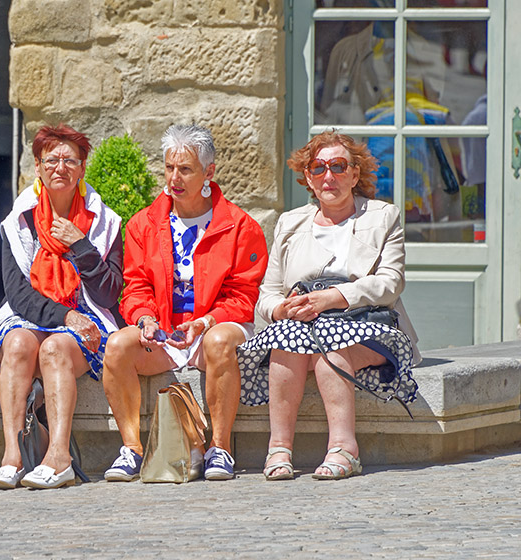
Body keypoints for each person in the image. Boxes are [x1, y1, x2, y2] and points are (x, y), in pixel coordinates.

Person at [238, 131, 421, 481]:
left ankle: (344, 448)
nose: (328, 176)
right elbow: (268, 293)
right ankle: (279, 447)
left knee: (331, 350)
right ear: (308, 177)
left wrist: (334, 298)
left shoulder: (382, 217)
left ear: (355, 174)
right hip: (303, 323)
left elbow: (390, 282)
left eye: (338, 166)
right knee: (284, 344)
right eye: (318, 168)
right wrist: (282, 310)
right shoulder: (290, 223)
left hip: (368, 320)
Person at [101, 124, 268, 482]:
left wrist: (204, 323)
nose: (174, 177)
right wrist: (145, 318)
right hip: (164, 332)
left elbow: (243, 296)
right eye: (169, 168)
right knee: (116, 345)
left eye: (186, 169)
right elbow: (136, 286)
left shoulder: (240, 226)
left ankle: (219, 448)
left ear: (209, 172)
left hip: (213, 330)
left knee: (220, 341)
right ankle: (131, 449)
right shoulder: (143, 224)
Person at [0, 124, 123, 490]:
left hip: (88, 320)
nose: (60, 167)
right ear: (38, 166)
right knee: (17, 344)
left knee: (53, 348)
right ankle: (13, 456)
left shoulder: (104, 223)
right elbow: (18, 295)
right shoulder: (19, 222)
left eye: (70, 160)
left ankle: (59, 457)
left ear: (82, 169)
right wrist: (66, 315)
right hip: (34, 315)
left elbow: (110, 294)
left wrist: (81, 246)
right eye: (51, 160)